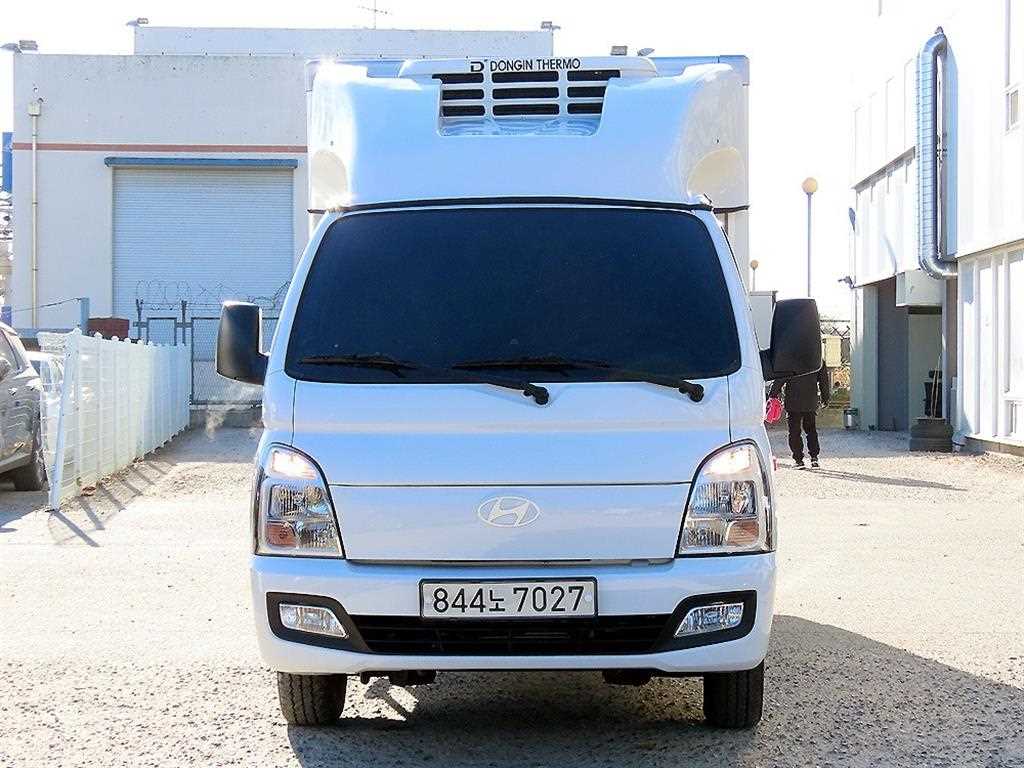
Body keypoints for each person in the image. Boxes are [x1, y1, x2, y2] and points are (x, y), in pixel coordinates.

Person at [769, 364, 830, 468]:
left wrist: (772, 394)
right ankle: (814, 458)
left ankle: (798, 460)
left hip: (793, 402)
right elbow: (823, 381)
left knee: (794, 432)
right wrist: (825, 398)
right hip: (810, 401)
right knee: (811, 430)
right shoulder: (817, 359)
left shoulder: (789, 360)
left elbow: (780, 379)